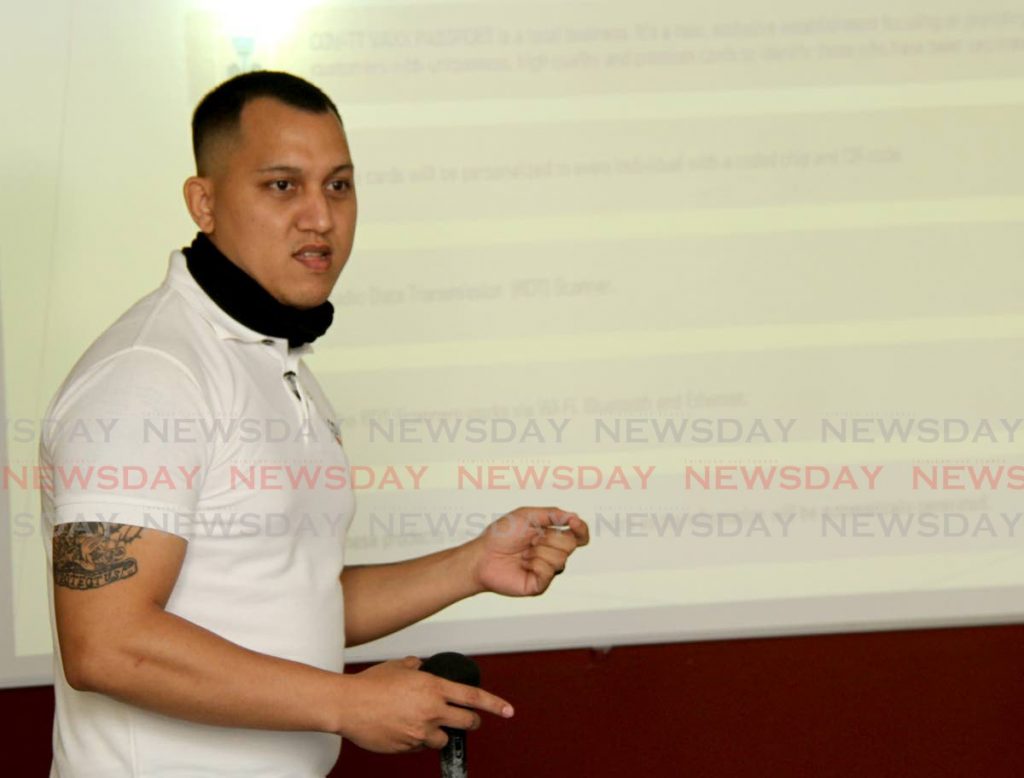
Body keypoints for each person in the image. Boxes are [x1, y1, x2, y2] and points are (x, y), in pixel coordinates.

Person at [40, 70, 589, 777]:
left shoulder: (274, 361)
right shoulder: (151, 373)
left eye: (338, 185)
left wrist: (471, 566)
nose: (321, 218)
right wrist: (347, 704)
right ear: (203, 203)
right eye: (281, 186)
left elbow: (292, 594)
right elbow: (107, 645)